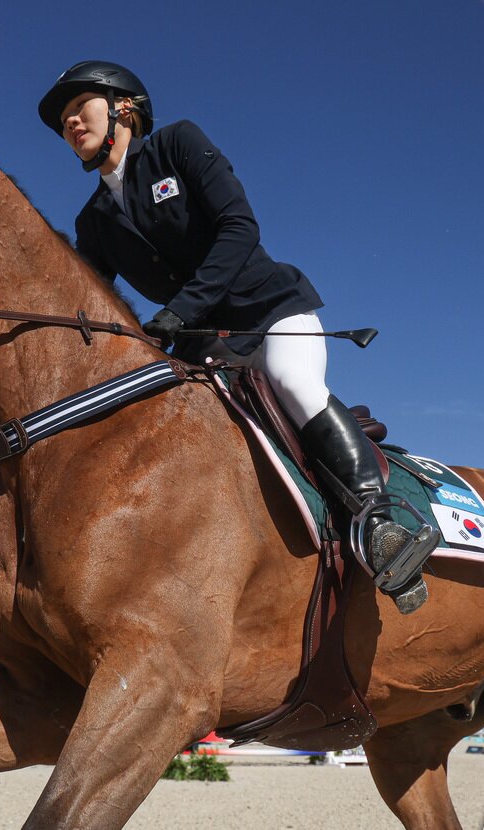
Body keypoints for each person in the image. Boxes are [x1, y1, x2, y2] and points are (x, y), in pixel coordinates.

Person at [38, 61, 435, 608]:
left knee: (292, 380)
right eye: (63, 121)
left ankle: (381, 527)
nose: (71, 125)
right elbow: (81, 304)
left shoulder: (177, 144)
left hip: (270, 312)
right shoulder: (94, 221)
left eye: (79, 109)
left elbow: (239, 227)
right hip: (203, 348)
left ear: (124, 106)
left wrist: (182, 308)